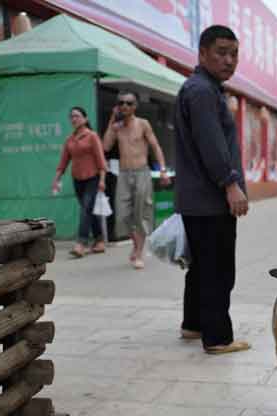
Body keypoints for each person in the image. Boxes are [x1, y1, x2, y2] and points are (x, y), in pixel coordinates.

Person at [174, 25, 252, 355]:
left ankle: (193, 324)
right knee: (218, 269)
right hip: (211, 199)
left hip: (197, 199)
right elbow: (212, 145)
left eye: (234, 53)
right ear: (202, 53)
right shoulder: (203, 91)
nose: (229, 60)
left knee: (202, 267)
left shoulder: (202, 88)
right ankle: (218, 337)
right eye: (221, 52)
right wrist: (230, 185)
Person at [103, 91, 170, 270]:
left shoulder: (143, 124)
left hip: (142, 173)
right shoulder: (116, 127)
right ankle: (136, 244)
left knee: (141, 214)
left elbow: (155, 146)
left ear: (135, 106)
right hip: (124, 174)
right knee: (122, 215)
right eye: (121, 103)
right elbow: (106, 146)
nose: (124, 106)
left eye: (129, 103)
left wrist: (163, 170)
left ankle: (139, 251)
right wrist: (111, 120)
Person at [52, 107, 107, 258]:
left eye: (77, 116)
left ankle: (81, 243)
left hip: (93, 179)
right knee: (88, 210)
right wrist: (56, 180)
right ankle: (100, 240)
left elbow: (101, 161)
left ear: (85, 119)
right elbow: (63, 163)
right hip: (78, 180)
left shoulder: (92, 136)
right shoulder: (69, 140)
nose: (74, 119)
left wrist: (102, 180)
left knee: (85, 209)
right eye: (71, 117)